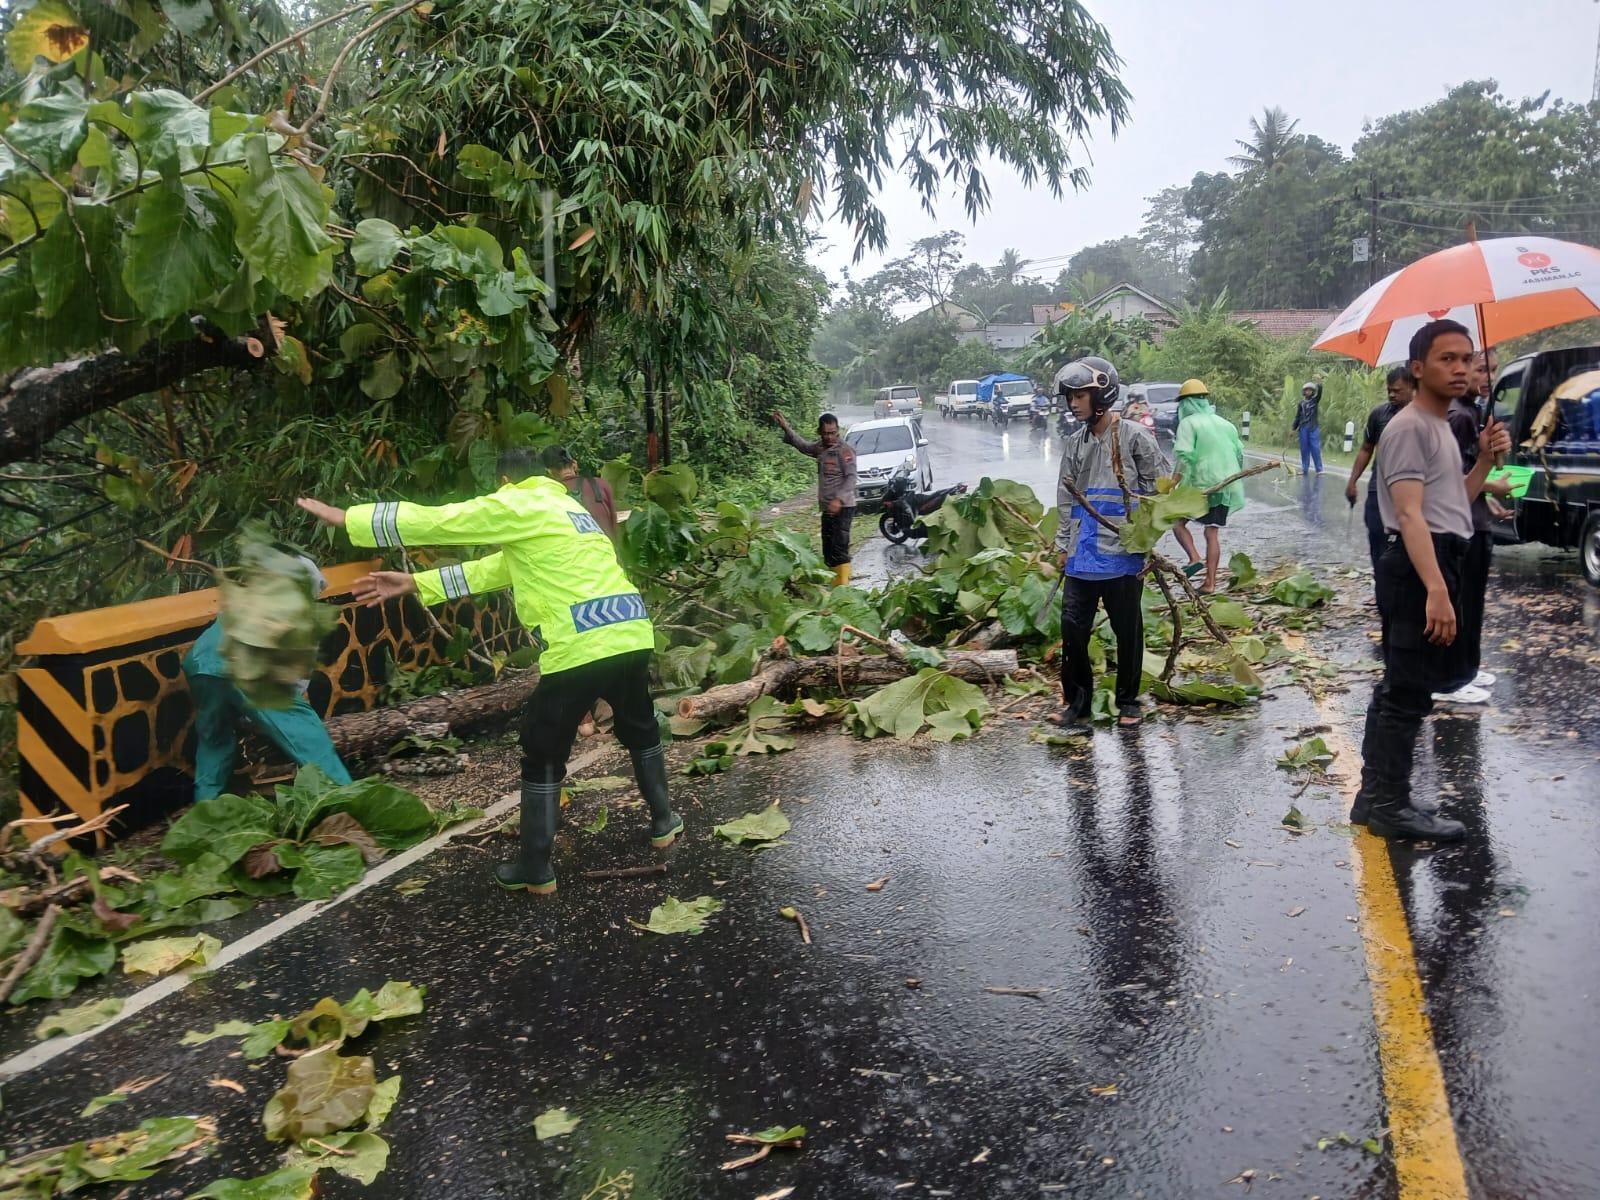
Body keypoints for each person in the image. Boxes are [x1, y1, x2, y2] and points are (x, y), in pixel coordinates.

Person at [295, 450, 682, 895]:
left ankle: (535, 868)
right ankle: (663, 822)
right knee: (640, 727)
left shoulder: (518, 501)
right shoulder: (568, 509)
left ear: (504, 481)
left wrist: (350, 519)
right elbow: (499, 568)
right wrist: (417, 583)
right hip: (631, 632)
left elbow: (444, 520)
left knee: (542, 750)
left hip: (583, 642)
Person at [1349, 319, 1510, 841]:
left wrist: (1484, 460)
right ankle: (1391, 806)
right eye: (1447, 358)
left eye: (1466, 358)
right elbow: (1412, 516)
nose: (1461, 367)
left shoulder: (1440, 425)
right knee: (1408, 691)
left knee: (1404, 686)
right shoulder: (1411, 426)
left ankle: (1375, 796)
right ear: (1418, 369)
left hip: (1436, 555)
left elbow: (1452, 504)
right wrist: (1438, 591)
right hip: (1417, 566)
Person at [1047, 355, 1164, 730]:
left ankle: (1128, 701)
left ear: (1102, 393)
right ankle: (1077, 703)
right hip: (1083, 555)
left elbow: (1160, 488)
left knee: (1127, 630)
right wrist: (1063, 545)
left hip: (1122, 555)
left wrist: (1144, 534)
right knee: (1072, 628)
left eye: (1080, 395)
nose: (1073, 403)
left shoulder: (1133, 436)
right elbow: (1066, 498)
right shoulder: (1074, 443)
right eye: (1070, 396)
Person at [183, 556, 352, 802]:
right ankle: (347, 796)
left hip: (200, 664)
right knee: (304, 731)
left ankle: (206, 810)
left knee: (214, 741)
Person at [1435, 349, 1513, 705]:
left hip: (1475, 518)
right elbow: (1452, 479)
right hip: (1459, 524)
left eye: (1492, 369)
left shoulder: (1474, 412)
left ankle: (1466, 668)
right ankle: (1449, 677)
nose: (1486, 377)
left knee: (1473, 602)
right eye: (1480, 368)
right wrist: (1492, 484)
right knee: (1461, 602)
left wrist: (1489, 498)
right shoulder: (1459, 417)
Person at [1168, 379, 1245, 594]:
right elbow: (1239, 453)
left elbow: (1184, 456)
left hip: (1201, 485)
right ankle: (1210, 584)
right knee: (1212, 534)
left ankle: (1194, 557)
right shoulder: (1225, 423)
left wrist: (1173, 483)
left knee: (1177, 522)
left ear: (1186, 403)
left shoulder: (1188, 423)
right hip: (1225, 484)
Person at [772, 409, 858, 586]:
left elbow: (851, 478)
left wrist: (839, 499)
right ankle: (834, 584)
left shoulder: (845, 451)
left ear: (838, 431)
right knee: (828, 549)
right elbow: (803, 446)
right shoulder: (820, 448)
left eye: (832, 433)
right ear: (819, 432)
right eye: (825, 433)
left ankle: (843, 589)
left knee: (839, 547)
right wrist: (786, 428)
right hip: (827, 508)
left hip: (843, 507)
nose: (829, 437)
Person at [1346, 366, 1416, 572]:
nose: (1392, 394)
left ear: (1413, 388)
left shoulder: (1424, 417)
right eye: (1389, 390)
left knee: (1408, 541)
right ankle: (1380, 589)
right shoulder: (1379, 415)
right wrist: (1352, 482)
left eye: (1398, 390)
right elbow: (1366, 449)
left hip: (1411, 490)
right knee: (1377, 535)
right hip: (1379, 487)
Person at [539, 444, 618, 539]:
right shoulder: (601, 484)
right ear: (575, 465)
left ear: (549, 472)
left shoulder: (548, 493)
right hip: (607, 549)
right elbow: (614, 524)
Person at [1293, 381, 1324, 474]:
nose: (1308, 392)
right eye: (1307, 390)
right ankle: (1304, 469)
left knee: (1315, 448)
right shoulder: (1301, 403)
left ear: (1313, 392)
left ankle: (1319, 469)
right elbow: (1297, 417)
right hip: (1303, 428)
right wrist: (1293, 428)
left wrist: (1319, 384)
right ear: (1304, 391)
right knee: (1304, 449)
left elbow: (1319, 394)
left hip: (1313, 427)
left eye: (1310, 390)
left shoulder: (1314, 401)